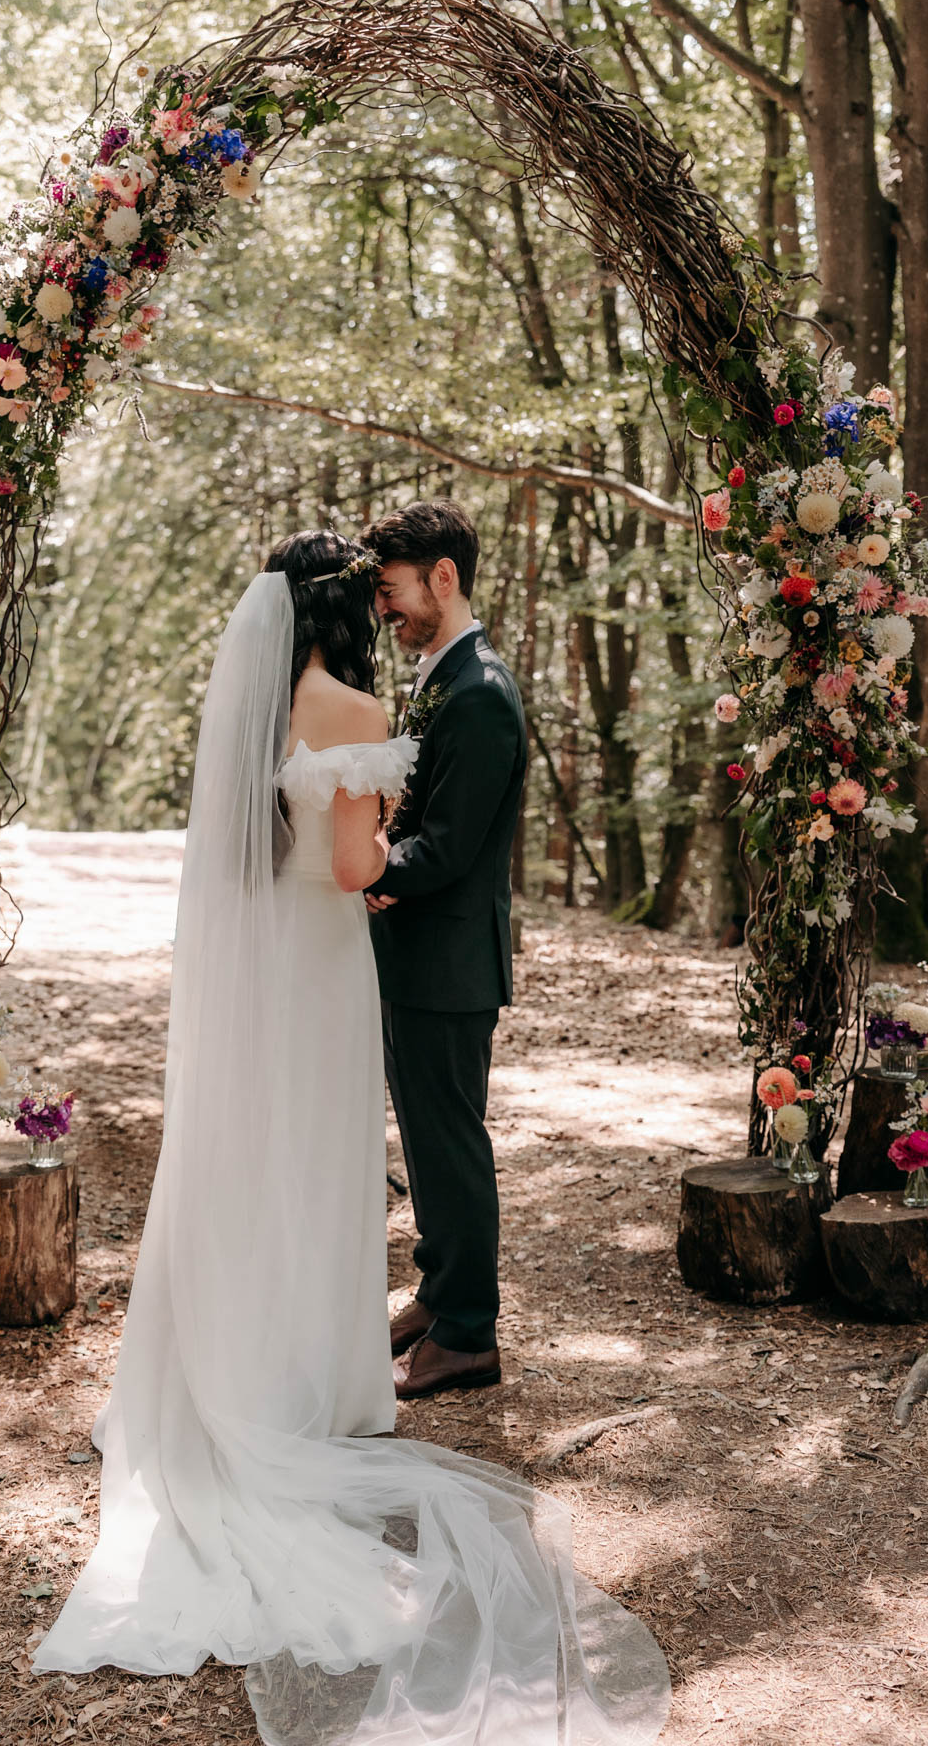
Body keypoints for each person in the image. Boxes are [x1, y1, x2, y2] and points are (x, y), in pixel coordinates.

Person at [33, 529, 670, 1746]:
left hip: (268, 968)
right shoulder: (358, 707)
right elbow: (348, 864)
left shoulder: (258, 709)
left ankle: (254, 1358)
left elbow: (275, 850)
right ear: (342, 611)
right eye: (368, 597)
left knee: (258, 1161)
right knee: (322, 1168)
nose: (383, 611)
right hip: (329, 963)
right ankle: (326, 1373)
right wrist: (374, 836)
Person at [361, 500, 526, 1399]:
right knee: (426, 1140)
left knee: (452, 1142)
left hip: (450, 960)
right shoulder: (440, 677)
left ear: (444, 577)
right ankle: (439, 1292)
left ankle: (468, 1333)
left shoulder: (482, 693)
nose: (384, 608)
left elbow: (453, 845)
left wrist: (375, 868)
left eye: (392, 590)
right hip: (415, 951)